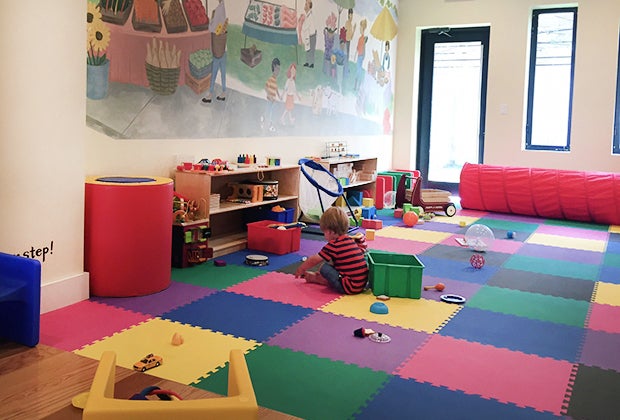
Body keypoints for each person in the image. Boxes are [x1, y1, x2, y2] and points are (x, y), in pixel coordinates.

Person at [295, 207, 368, 295]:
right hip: (361, 284)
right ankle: (323, 278)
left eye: (324, 232)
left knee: (324, 268)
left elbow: (315, 259)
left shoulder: (334, 245)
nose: (324, 235)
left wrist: (302, 268)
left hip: (349, 287)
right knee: (334, 264)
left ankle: (318, 279)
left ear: (330, 232)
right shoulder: (350, 240)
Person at [202, 0, 227, 103]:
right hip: (224, 48)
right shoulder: (223, 8)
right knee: (223, 73)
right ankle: (223, 92)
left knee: (214, 72)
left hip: (217, 48)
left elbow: (213, 28)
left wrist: (210, 22)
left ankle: (210, 94)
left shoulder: (218, 10)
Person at [261, 57, 281, 132]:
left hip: (273, 99)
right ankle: (265, 121)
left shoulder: (275, 80)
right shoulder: (271, 79)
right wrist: (269, 95)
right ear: (273, 68)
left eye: (279, 69)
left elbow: (276, 89)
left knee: (271, 110)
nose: (278, 71)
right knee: (269, 110)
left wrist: (279, 96)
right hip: (270, 99)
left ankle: (269, 123)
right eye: (277, 69)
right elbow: (266, 87)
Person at [300, 0, 316, 68]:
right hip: (309, 35)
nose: (305, 6)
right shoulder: (307, 15)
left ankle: (311, 63)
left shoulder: (310, 16)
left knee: (311, 49)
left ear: (309, 6)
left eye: (306, 4)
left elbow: (305, 26)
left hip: (312, 35)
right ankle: (307, 62)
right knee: (307, 48)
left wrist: (302, 23)